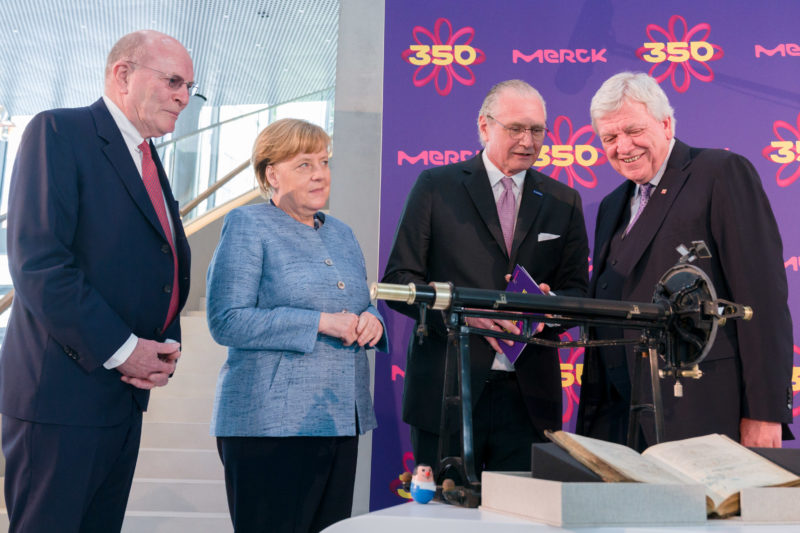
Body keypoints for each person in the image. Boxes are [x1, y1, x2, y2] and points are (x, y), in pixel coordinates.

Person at [0, 30, 193, 532]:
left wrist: (162, 346)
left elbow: (156, 265)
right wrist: (125, 347)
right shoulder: (59, 133)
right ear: (123, 75)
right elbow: (40, 264)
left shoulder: (149, 160)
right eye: (173, 81)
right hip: (62, 399)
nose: (184, 97)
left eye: (192, 87)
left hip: (121, 398)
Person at [382, 80, 590, 476]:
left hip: (530, 401)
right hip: (447, 390)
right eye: (516, 129)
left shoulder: (565, 201)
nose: (528, 141)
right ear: (484, 126)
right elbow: (399, 283)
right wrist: (463, 314)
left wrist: (549, 308)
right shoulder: (435, 186)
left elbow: (579, 292)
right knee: (444, 516)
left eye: (537, 130)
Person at [576, 71, 793, 450]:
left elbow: (762, 302)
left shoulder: (720, 174)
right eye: (609, 138)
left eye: (633, 130)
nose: (622, 146)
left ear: (665, 123)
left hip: (700, 414)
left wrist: (765, 412)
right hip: (620, 424)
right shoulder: (612, 205)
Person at [206, 118, 388, 533]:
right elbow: (226, 321)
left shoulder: (342, 233)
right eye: (304, 164)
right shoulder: (247, 225)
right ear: (272, 173)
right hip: (271, 424)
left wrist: (371, 322)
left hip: (341, 417)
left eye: (324, 161)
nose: (321, 173)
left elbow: (362, 305)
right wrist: (320, 322)